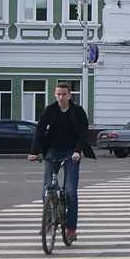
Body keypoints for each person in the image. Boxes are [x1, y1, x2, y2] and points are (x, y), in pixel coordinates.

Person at [29, 81, 96, 243]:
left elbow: (82, 133)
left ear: (69, 95)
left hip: (71, 151)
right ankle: (47, 223)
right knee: (47, 188)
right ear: (55, 94)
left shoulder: (77, 111)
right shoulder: (50, 110)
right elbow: (40, 129)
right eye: (58, 94)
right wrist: (33, 152)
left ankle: (72, 229)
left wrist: (77, 152)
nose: (61, 97)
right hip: (53, 149)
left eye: (64, 94)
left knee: (71, 191)